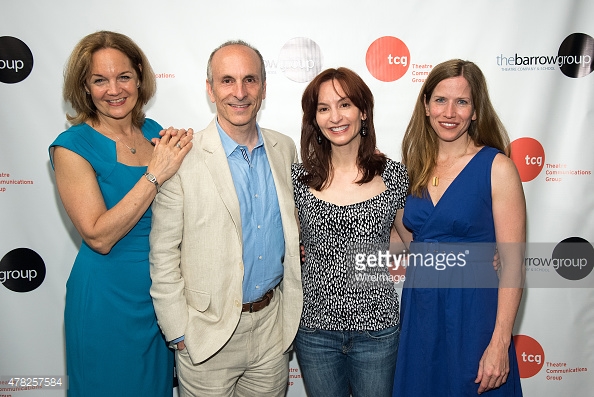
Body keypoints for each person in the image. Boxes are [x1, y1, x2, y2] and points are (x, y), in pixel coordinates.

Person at [148, 40, 303, 397]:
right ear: (210, 89)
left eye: (250, 80)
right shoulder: (182, 157)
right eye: (227, 80)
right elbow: (163, 253)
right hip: (206, 335)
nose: (240, 92)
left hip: (270, 330)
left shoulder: (284, 149)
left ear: (264, 87)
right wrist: (179, 331)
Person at [49, 31, 193, 396]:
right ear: (85, 86)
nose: (114, 89)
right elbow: (97, 235)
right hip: (105, 301)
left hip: (159, 299)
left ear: (140, 77)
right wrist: (155, 173)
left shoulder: (155, 132)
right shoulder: (72, 146)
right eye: (100, 80)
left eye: (123, 76)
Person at [392, 59, 526, 396]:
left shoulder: (497, 167)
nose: (449, 112)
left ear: (476, 110)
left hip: (475, 314)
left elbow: (512, 265)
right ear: (425, 106)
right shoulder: (412, 169)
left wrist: (499, 343)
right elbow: (413, 242)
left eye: (462, 102)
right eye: (440, 100)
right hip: (421, 313)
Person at [292, 67, 408, 397]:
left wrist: (479, 256)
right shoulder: (298, 179)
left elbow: (411, 243)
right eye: (323, 108)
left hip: (378, 330)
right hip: (314, 331)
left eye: (344, 105)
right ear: (314, 119)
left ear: (363, 111)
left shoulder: (394, 175)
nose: (335, 117)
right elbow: (289, 244)